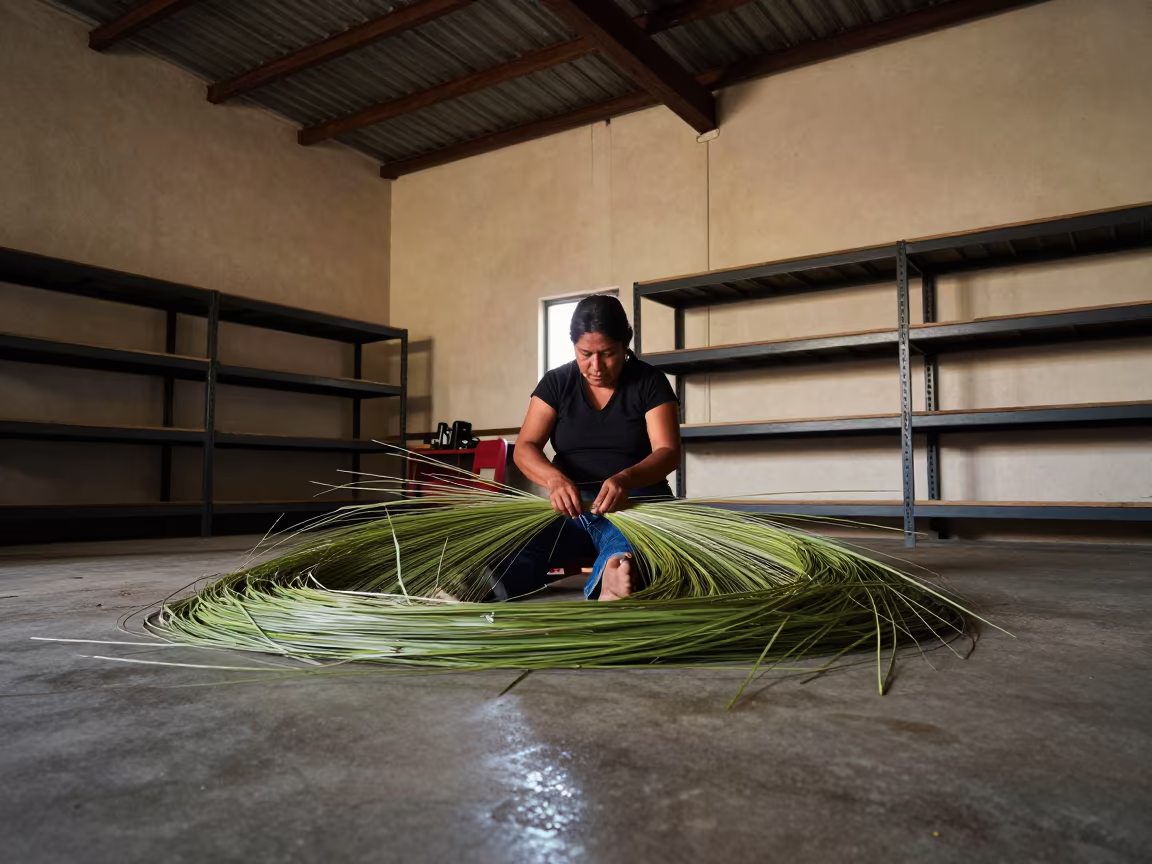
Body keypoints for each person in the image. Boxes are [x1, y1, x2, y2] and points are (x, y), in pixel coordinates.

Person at [499, 294, 681, 602]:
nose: (595, 366)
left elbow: (668, 451)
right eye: (585, 354)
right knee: (516, 543)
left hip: (635, 504)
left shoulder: (650, 382)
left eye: (608, 353)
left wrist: (625, 479)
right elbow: (526, 447)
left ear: (625, 345)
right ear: (574, 346)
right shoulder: (557, 383)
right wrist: (554, 479)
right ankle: (483, 583)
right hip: (571, 507)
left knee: (627, 544)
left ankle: (614, 575)